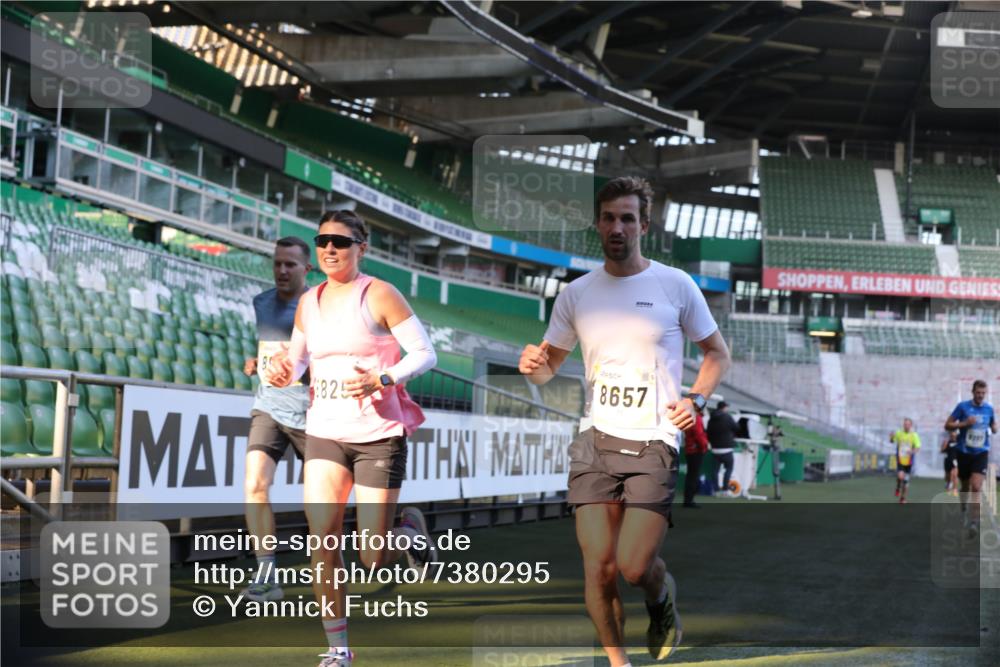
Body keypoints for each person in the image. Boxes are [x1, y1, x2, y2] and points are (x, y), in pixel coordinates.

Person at [518, 177, 731, 667]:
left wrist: (696, 398)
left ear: (644, 225)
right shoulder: (576, 293)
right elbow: (548, 367)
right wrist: (534, 365)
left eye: (628, 218)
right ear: (598, 223)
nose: (618, 226)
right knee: (599, 567)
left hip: (654, 440)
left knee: (635, 567)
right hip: (594, 440)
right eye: (609, 217)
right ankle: (619, 662)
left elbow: (717, 354)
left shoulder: (675, 284)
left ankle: (661, 599)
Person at [266, 210, 439, 667]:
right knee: (322, 538)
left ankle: (406, 531)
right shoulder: (309, 301)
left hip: (378, 434)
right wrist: (287, 368)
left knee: (371, 556)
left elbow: (425, 353)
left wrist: (384, 377)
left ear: (361, 247)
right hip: (324, 432)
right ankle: (338, 650)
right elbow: (300, 362)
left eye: (340, 242)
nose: (328, 249)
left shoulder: (379, 294)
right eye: (322, 240)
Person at [241, 237, 312, 602]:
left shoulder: (318, 307)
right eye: (278, 263)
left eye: (291, 265)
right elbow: (269, 346)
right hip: (268, 406)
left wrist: (302, 368)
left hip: (314, 414)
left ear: (307, 270)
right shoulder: (262, 302)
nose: (282, 270)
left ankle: (404, 530)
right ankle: (267, 575)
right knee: (254, 484)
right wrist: (257, 364)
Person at [945, 379, 997, 537]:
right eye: (978, 393)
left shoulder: (989, 409)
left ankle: (974, 522)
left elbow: (993, 425)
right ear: (973, 392)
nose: (981, 396)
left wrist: (994, 428)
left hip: (981, 453)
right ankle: (963, 508)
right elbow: (948, 425)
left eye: (983, 393)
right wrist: (964, 424)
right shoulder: (963, 407)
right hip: (964, 452)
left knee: (976, 486)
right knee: (966, 486)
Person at [706, 401, 739, 497]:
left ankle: (716, 491)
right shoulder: (727, 417)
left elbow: (708, 433)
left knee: (715, 471)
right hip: (727, 449)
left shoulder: (711, 419)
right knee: (728, 469)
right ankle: (725, 490)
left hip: (715, 449)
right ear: (724, 408)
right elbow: (736, 428)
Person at [682, 406, 709, 509]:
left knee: (691, 476)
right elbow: (699, 434)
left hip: (691, 449)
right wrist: (704, 446)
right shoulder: (697, 417)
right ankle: (689, 500)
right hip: (695, 450)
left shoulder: (692, 416)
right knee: (693, 476)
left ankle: (688, 499)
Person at [890, 418, 921, 504]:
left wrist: (912, 451)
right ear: (903, 425)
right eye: (905, 424)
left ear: (911, 425)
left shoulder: (914, 435)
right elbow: (892, 441)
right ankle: (898, 486)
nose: (906, 426)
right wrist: (891, 437)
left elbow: (918, 447)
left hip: (909, 461)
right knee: (900, 477)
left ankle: (903, 498)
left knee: (906, 481)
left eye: (908, 424)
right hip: (900, 459)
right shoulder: (899, 433)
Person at [940, 429, 959, 496]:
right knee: (947, 476)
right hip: (947, 460)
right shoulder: (947, 441)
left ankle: (955, 489)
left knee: (954, 475)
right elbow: (941, 451)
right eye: (952, 432)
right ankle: (948, 484)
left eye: (954, 432)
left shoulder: (959, 441)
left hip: (955, 460)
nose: (953, 433)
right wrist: (944, 447)